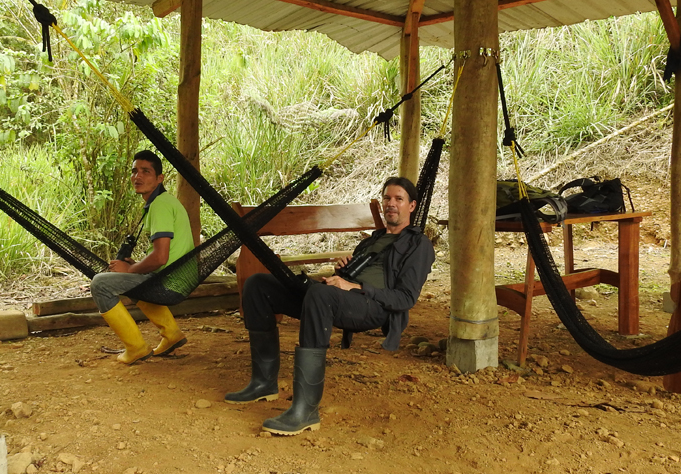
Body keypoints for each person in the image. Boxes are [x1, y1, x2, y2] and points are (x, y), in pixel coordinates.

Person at [226, 176, 435, 435]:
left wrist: (356, 287)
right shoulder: (372, 240)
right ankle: (262, 383)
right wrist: (344, 271)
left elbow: (405, 298)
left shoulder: (418, 244)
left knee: (319, 296)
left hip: (372, 307)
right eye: (387, 198)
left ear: (412, 206)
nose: (391, 204)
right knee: (259, 284)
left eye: (398, 199)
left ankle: (305, 410)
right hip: (340, 298)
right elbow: (347, 281)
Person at [90, 150, 195, 364]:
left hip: (170, 283)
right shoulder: (162, 202)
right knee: (134, 279)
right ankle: (172, 335)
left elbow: (160, 257)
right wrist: (136, 266)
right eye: (134, 171)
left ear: (160, 178)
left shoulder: (160, 205)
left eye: (146, 171)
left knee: (99, 284)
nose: (138, 177)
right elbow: (161, 258)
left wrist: (129, 270)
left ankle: (136, 348)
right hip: (177, 278)